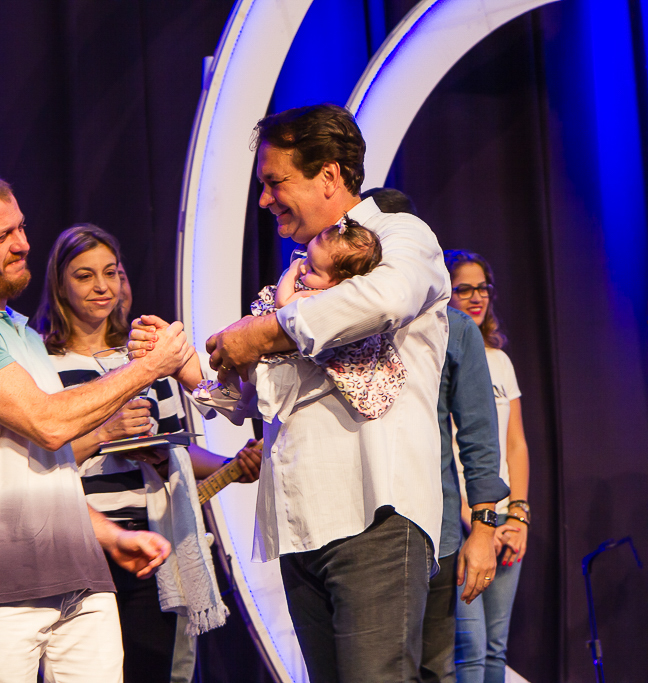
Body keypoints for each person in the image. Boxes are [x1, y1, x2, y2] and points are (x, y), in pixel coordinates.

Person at [192, 103, 450, 682]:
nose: (265, 200)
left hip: (374, 515)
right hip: (302, 523)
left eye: (275, 182)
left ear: (329, 175)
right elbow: (261, 396)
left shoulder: (400, 235)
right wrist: (191, 361)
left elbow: (384, 298)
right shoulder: (300, 275)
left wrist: (264, 331)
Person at [0, 170, 193, 682]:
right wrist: (148, 368)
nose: (22, 244)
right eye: (2, 236)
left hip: (80, 575)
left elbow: (46, 462)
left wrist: (108, 535)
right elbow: (47, 423)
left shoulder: (22, 333)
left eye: (20, 228)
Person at [34, 223, 262, 683]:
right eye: (84, 275)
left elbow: (178, 447)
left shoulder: (146, 361)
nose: (102, 286)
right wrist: (105, 432)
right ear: (58, 283)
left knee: (152, 668)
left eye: (111, 272)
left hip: (152, 542)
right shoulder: (41, 364)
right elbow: (34, 460)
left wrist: (231, 466)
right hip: (79, 542)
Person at [364, 189, 511, 682]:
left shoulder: (454, 327)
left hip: (436, 532)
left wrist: (485, 531)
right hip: (357, 531)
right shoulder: (336, 319)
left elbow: (480, 438)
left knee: (435, 669)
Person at [193, 217, 407, 424]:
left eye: (313, 269)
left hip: (288, 355)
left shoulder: (317, 295)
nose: (304, 267)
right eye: (306, 259)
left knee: (250, 363)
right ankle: (235, 400)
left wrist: (292, 270)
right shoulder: (318, 285)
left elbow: (283, 303)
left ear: (338, 283)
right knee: (240, 355)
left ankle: (235, 400)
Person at [445, 250, 530, 683]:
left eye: (482, 288)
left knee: (495, 649)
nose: (476, 298)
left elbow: (516, 444)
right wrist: (478, 521)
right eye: (464, 289)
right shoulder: (439, 357)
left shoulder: (500, 360)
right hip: (461, 519)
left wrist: (518, 515)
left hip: (504, 519)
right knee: (471, 651)